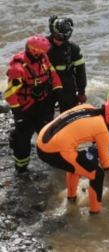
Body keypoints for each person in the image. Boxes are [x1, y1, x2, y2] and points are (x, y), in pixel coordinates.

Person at [36, 100, 109, 214]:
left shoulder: (87, 106)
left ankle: (72, 198)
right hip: (53, 151)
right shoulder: (102, 130)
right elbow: (106, 163)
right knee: (97, 174)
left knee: (77, 163)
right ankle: (95, 213)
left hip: (41, 141)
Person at [4, 35, 63, 174]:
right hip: (26, 109)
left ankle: (55, 161)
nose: (45, 55)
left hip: (43, 105)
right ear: (35, 52)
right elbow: (10, 94)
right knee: (22, 141)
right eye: (42, 53)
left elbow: (52, 73)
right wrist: (17, 114)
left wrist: (58, 90)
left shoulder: (43, 60)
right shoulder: (17, 69)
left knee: (50, 135)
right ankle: (21, 167)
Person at [47, 15, 87, 112]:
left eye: (63, 37)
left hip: (67, 83)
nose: (59, 40)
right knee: (45, 114)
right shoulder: (43, 45)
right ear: (53, 31)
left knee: (68, 114)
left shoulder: (72, 48)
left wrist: (81, 92)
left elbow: (80, 71)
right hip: (47, 83)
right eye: (58, 36)